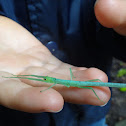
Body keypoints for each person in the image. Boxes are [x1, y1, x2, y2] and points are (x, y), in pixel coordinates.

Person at [0, 0, 125, 125]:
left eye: (46, 80)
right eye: (46, 80)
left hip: (91, 112)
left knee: (95, 85)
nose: (46, 80)